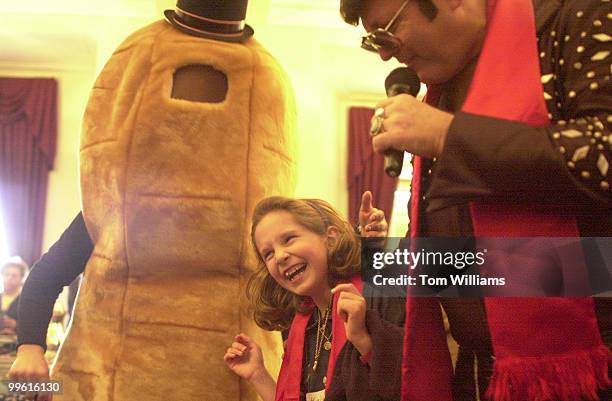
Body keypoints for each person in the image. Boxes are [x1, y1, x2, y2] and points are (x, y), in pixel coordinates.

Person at [339, 0, 611, 400]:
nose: (384, 51)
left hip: (591, 362)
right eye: (372, 40)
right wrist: (378, 261)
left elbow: (603, 150)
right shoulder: (441, 90)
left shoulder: (578, 16)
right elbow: (467, 256)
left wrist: (450, 137)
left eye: (386, 30)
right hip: (483, 369)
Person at [224, 191, 405, 401]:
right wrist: (258, 374)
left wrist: (363, 340)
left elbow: (414, 383)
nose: (280, 256)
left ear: (330, 238)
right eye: (268, 254)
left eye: (289, 239)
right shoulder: (299, 325)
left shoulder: (376, 295)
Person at [0, 257, 28, 335]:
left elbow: (34, 325)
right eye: (6, 274)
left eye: (14, 276)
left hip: (15, 344)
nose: (9, 278)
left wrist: (15, 325)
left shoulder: (26, 301)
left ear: (21, 278)